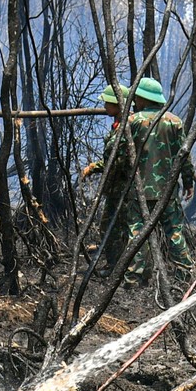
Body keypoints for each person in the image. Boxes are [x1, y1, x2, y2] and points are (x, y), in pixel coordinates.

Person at [123, 76, 194, 287]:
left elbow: (118, 154)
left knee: (137, 234)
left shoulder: (133, 122)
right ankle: (184, 276)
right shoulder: (174, 122)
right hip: (167, 192)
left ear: (142, 98)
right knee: (174, 233)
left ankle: (135, 279)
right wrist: (188, 182)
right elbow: (184, 156)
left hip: (139, 192)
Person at [80, 83, 133, 268]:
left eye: (107, 103)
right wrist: (95, 166)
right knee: (110, 227)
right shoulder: (118, 126)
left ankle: (116, 267)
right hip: (115, 188)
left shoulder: (127, 127)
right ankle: (114, 265)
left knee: (116, 229)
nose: (104, 106)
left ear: (118, 104)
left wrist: (97, 167)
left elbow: (119, 160)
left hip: (124, 188)